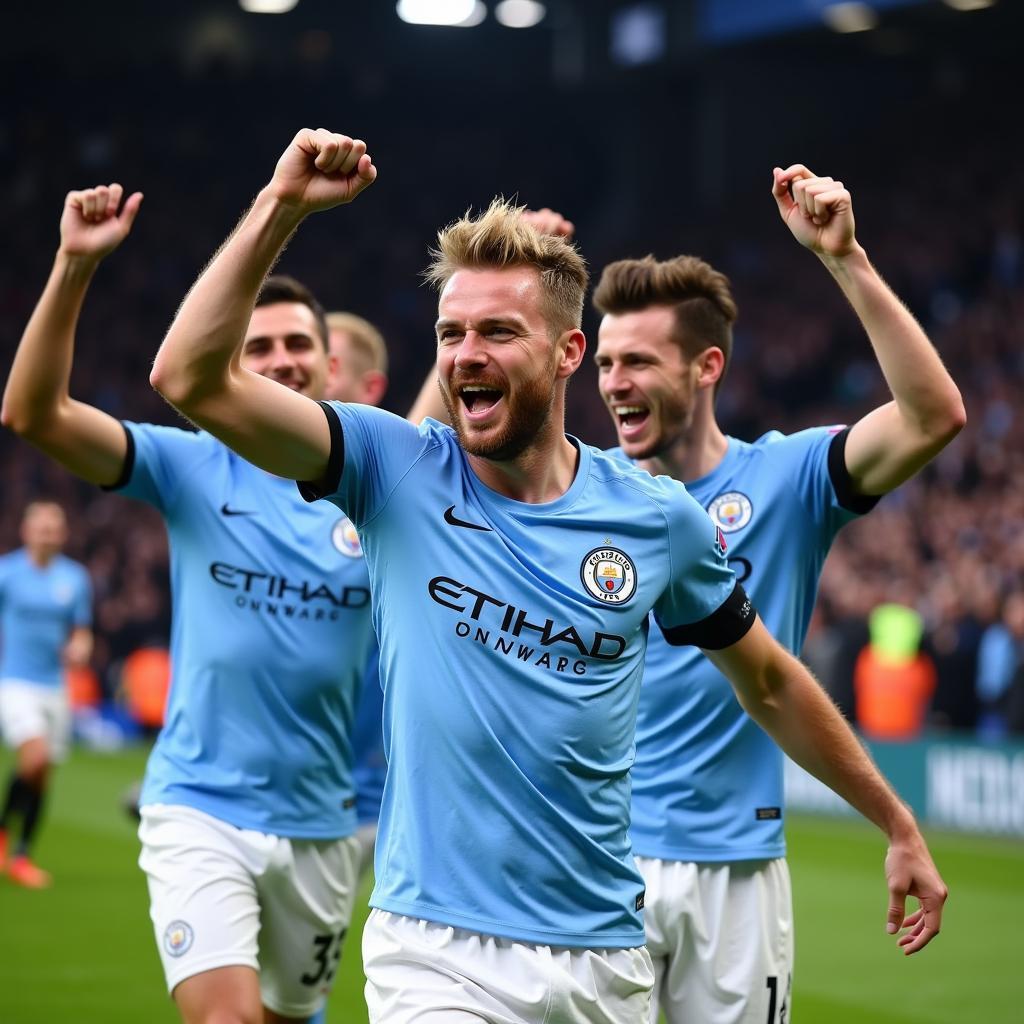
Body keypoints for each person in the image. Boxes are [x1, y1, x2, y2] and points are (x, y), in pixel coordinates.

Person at [148, 128, 947, 1023]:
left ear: (568, 354)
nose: (464, 355)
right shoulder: (391, 468)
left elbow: (765, 677)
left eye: (498, 331)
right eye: (451, 333)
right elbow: (190, 377)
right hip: (434, 950)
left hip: (606, 956)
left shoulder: (654, 518)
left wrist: (895, 818)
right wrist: (280, 206)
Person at [591, 164, 965, 1022]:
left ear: (707, 366)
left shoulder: (789, 477)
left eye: (638, 361)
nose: (612, 383)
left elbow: (935, 415)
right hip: (600, 860)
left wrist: (846, 261)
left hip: (737, 874)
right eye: (606, 361)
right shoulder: (582, 495)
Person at [2, 184, 378, 1023]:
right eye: (262, 347)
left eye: (297, 346)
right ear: (237, 364)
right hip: (201, 803)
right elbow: (33, 414)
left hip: (325, 825)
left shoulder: (372, 490)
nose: (281, 361)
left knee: (288, 1017)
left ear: (327, 364)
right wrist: (73, 266)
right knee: (227, 1018)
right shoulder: (193, 466)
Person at [0, 501, 93, 888]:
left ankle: (21, 855)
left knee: (42, 776)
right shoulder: (7, 572)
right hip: (15, 682)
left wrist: (81, 648)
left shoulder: (75, 578)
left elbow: (82, 629)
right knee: (34, 758)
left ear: (63, 534)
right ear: (26, 531)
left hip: (55, 686)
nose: (47, 534)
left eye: (54, 528)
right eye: (41, 527)